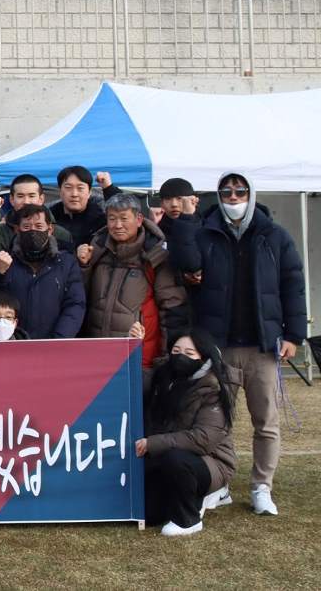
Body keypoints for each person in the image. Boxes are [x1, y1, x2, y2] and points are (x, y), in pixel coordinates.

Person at [172, 171, 306, 516]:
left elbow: (293, 285)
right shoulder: (204, 232)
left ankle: (262, 486)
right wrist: (187, 218)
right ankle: (221, 484)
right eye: (226, 191)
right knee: (217, 421)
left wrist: (293, 335)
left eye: (240, 191)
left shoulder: (274, 236)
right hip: (220, 345)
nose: (233, 197)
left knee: (265, 421)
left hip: (263, 345)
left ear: (250, 193)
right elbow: (186, 263)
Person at [138, 331, 238, 537]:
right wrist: (132, 344)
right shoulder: (162, 376)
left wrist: (152, 443)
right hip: (164, 457)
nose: (180, 356)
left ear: (203, 357)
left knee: (175, 459)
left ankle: (188, 519)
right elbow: (133, 379)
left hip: (209, 461)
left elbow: (204, 439)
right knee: (148, 514)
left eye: (189, 353)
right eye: (176, 351)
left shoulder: (215, 388)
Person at [77, 193, 187, 368]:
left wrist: (166, 354)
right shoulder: (97, 249)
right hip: (97, 352)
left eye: (124, 218)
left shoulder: (156, 255)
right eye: (112, 219)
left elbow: (171, 307)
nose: (117, 225)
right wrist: (84, 266)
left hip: (139, 355)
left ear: (139, 219)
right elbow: (81, 297)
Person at [0, 204, 86, 339]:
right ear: (17, 230)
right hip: (13, 343)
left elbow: (75, 303)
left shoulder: (66, 262)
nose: (33, 231)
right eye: (26, 227)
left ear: (50, 229)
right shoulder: (5, 260)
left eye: (39, 226)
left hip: (54, 345)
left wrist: (60, 338)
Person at [0, 174, 74, 261]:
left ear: (41, 199)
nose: (26, 201)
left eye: (31, 196)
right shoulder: (1, 231)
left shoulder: (61, 233)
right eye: (20, 196)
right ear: (11, 199)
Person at [50, 166, 118, 248]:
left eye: (80, 188)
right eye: (68, 188)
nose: (74, 194)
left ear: (89, 192)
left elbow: (125, 212)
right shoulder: (48, 218)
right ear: (60, 191)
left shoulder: (101, 220)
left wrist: (109, 188)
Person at [155, 177, 202, 275]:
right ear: (161, 203)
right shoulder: (156, 232)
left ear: (194, 201)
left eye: (179, 198)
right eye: (168, 199)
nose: (174, 204)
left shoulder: (207, 228)